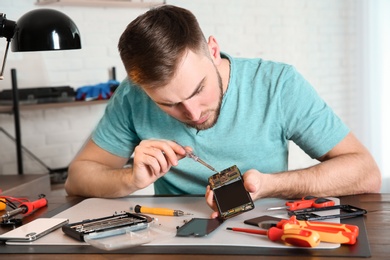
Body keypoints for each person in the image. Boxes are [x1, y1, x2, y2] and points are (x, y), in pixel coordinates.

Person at [65, 5, 381, 217]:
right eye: (168, 104)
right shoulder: (133, 95)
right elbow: (77, 179)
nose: (191, 113)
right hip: (174, 234)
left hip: (264, 227)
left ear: (213, 50)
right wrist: (131, 180)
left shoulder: (278, 84)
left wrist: (270, 185)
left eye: (198, 90)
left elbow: (365, 172)